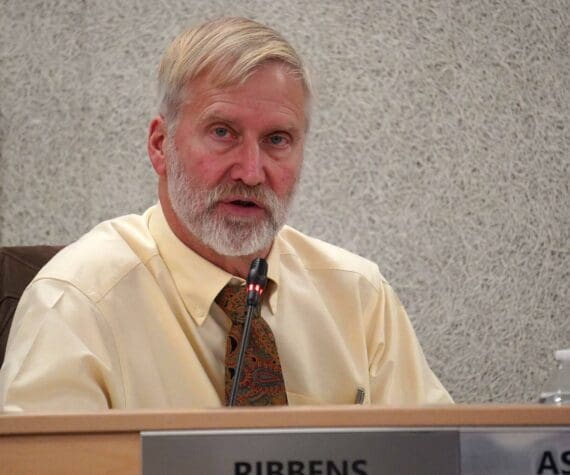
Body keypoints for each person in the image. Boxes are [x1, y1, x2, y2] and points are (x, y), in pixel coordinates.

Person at [0, 17, 452, 411]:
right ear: (161, 146)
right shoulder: (76, 303)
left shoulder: (359, 296)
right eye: (222, 132)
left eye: (277, 139)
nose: (252, 172)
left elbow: (439, 456)